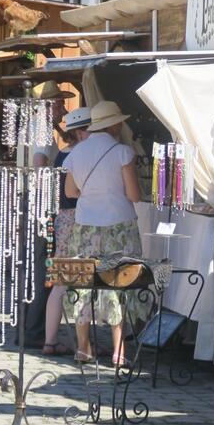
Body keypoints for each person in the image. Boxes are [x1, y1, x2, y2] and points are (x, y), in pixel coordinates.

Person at [62, 101, 143, 366]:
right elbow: (133, 194)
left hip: (85, 224)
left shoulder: (75, 153)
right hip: (119, 223)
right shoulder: (122, 152)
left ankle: (83, 348)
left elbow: (70, 192)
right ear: (114, 124)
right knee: (119, 282)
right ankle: (119, 350)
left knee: (83, 283)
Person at [41, 107, 90, 357]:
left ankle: (50, 340)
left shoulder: (62, 155)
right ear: (83, 132)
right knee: (83, 279)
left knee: (60, 283)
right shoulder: (81, 155)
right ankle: (84, 345)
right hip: (77, 218)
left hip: (61, 219)